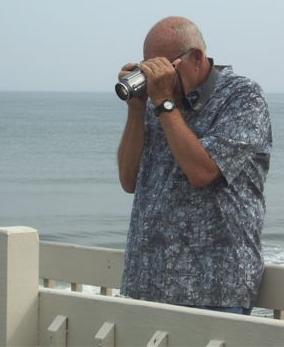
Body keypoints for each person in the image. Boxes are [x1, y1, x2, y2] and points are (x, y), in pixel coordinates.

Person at [117, 16, 272, 315]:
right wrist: (136, 109)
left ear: (197, 58)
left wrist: (163, 102)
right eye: (150, 68)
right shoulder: (157, 103)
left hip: (214, 288)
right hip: (146, 282)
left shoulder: (242, 97)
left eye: (164, 67)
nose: (158, 78)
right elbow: (128, 180)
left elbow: (202, 172)